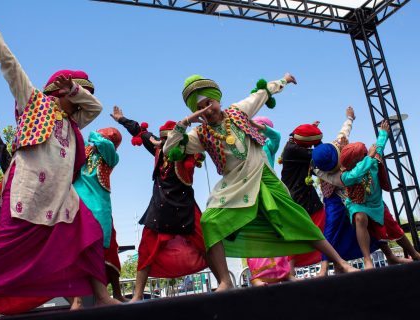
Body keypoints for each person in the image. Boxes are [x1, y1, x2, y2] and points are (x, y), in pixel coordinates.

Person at [0, 2, 117, 318]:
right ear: (59, 91)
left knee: (91, 234)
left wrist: (77, 89)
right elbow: (8, 62)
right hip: (27, 190)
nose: (81, 98)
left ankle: (101, 295)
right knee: (0, 248)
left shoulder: (72, 124)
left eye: (82, 92)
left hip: (61, 196)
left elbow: (96, 107)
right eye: (75, 92)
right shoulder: (34, 102)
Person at [164, 74, 357, 291]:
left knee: (299, 219)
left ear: (217, 99)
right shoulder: (199, 134)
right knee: (209, 222)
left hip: (263, 178)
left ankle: (340, 263)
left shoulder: (238, 111)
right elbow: (170, 150)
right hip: (234, 186)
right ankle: (225, 282)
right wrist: (184, 124)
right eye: (200, 107)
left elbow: (262, 93)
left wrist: (282, 81)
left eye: (209, 102)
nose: (207, 109)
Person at [111, 106, 207, 301]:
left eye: (168, 140)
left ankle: (224, 280)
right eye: (163, 140)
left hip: (185, 206)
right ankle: (137, 296)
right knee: (146, 249)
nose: (164, 143)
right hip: (160, 207)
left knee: (209, 242)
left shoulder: (189, 151)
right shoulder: (158, 149)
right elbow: (140, 131)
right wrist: (122, 119)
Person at [312, 107, 407, 275]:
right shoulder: (338, 175)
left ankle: (391, 255)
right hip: (338, 198)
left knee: (379, 223)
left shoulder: (341, 147)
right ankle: (326, 266)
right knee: (334, 227)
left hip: (367, 199)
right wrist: (372, 153)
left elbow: (345, 130)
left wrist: (350, 118)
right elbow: (358, 168)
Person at [73, 127, 127, 305]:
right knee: (78, 250)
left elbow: (103, 143)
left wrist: (95, 136)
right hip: (78, 205)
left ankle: (112, 295)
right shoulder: (85, 151)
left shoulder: (111, 157)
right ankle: (78, 301)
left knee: (107, 250)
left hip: (99, 209)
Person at [246, 116, 293, 286]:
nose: (256, 130)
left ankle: (285, 272)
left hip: (271, 193)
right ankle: (258, 276)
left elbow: (277, 137)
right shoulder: (245, 146)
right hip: (250, 194)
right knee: (255, 233)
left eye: (261, 127)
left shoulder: (268, 146)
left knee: (278, 231)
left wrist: (260, 127)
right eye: (255, 127)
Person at [279, 121, 326, 274]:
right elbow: (321, 155)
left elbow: (297, 135)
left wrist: (310, 132)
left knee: (321, 229)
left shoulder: (293, 145)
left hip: (305, 196)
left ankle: (324, 267)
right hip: (299, 198)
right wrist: (317, 140)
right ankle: (290, 271)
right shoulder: (293, 150)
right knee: (302, 233)